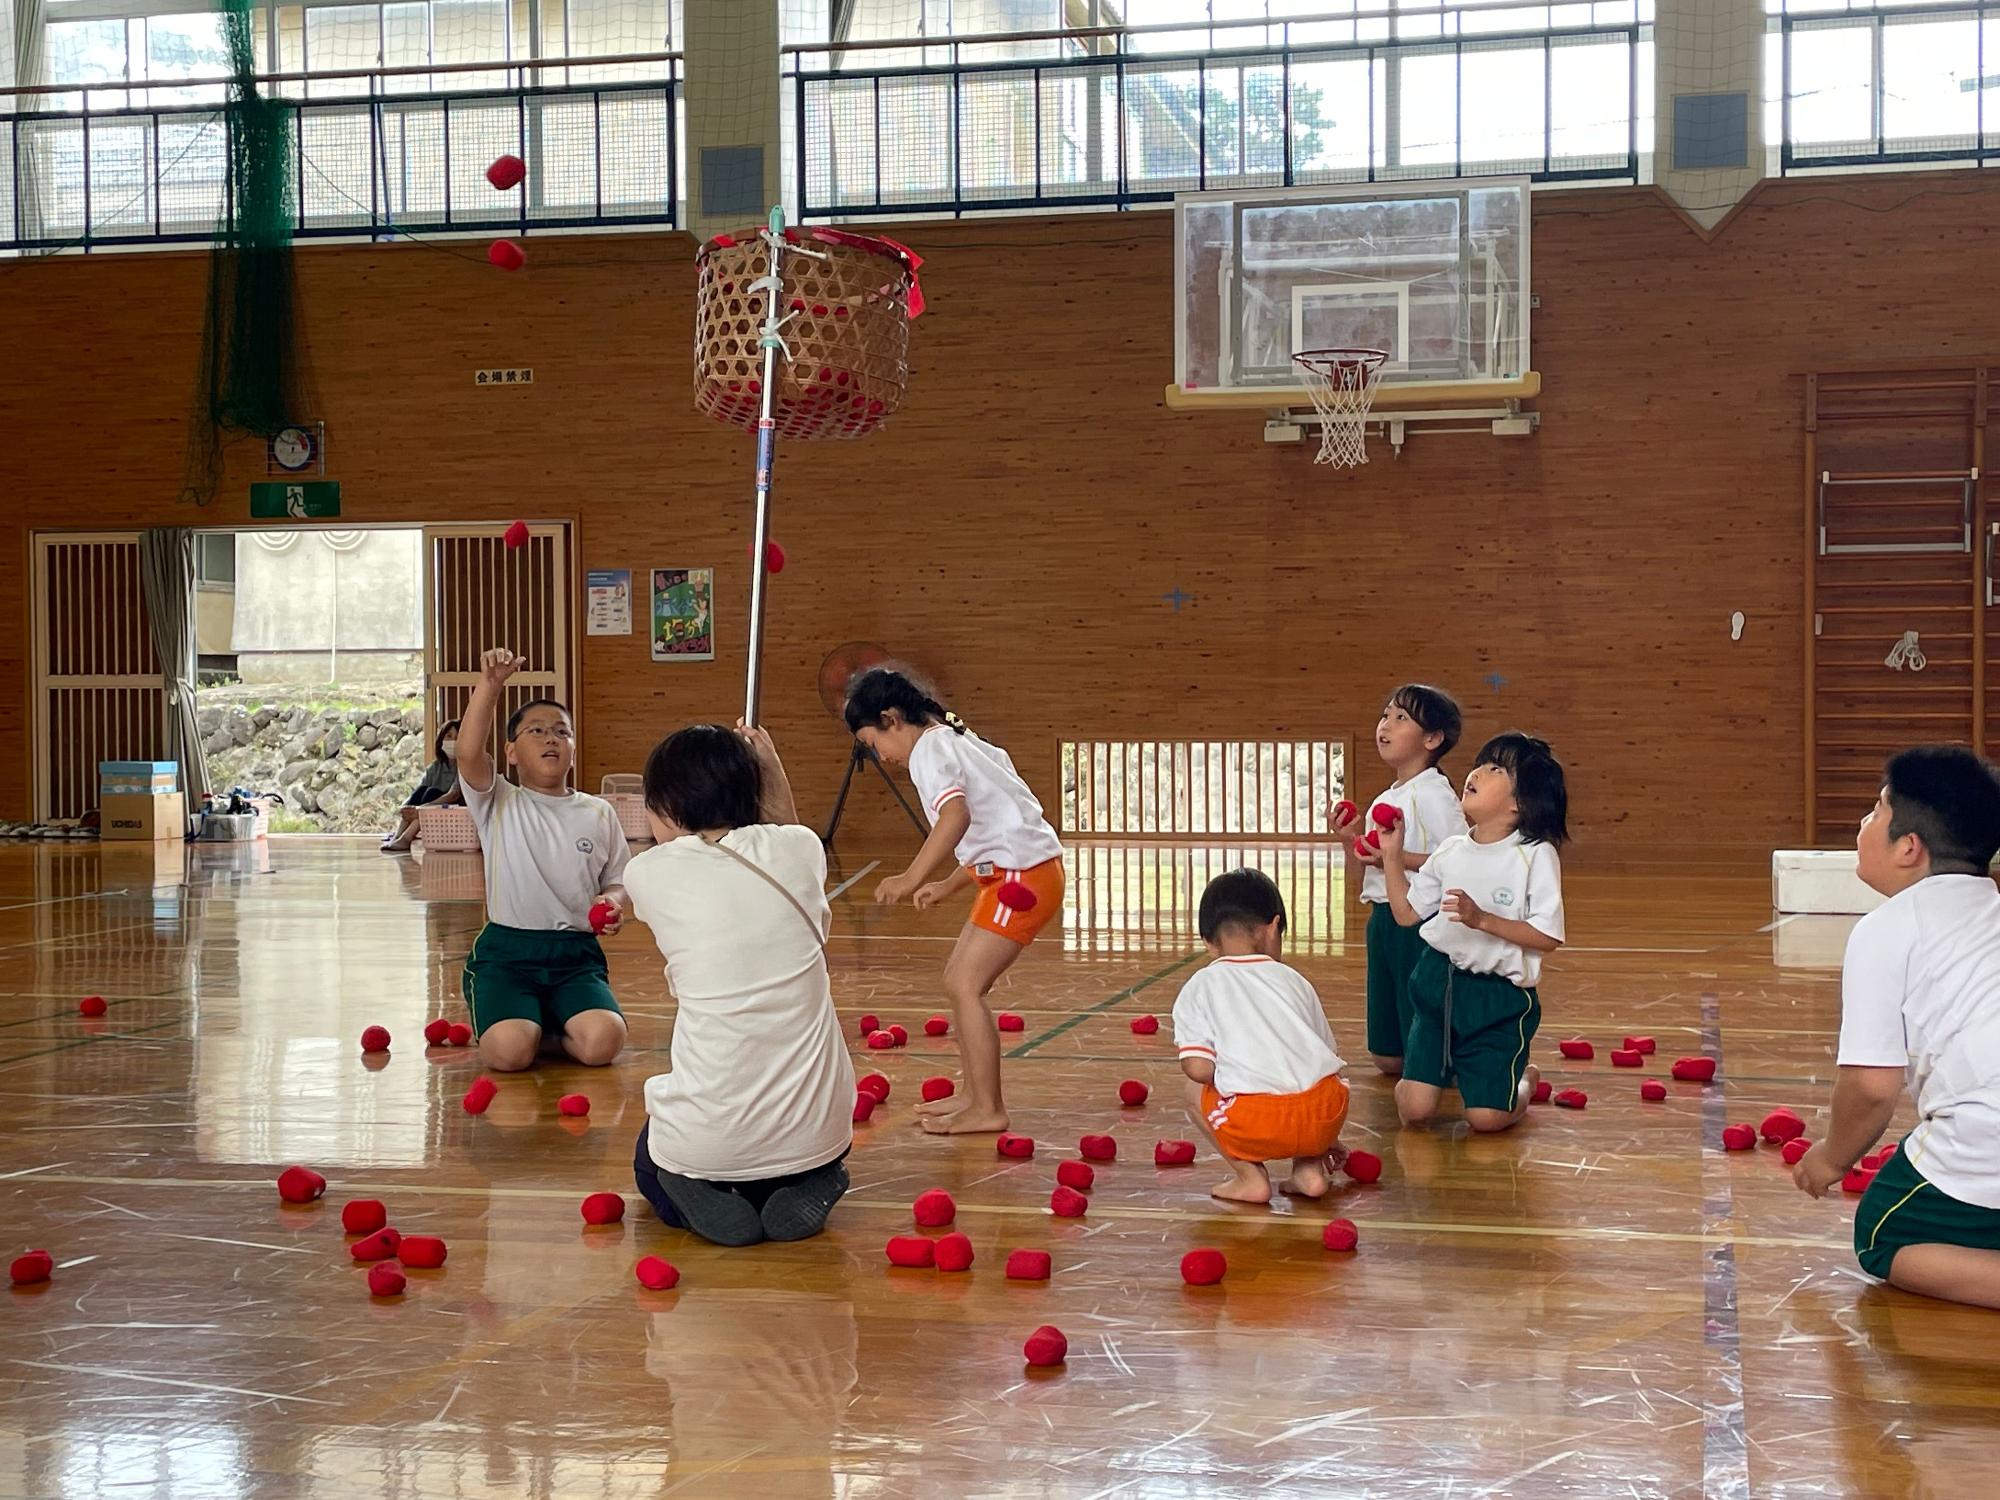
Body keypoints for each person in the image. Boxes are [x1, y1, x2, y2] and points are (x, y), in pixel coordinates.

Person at [624, 722, 853, 1246]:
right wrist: (768, 766)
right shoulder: (801, 849)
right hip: (817, 1129)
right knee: (801, 1145)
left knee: (650, 1164)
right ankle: (816, 1176)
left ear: (667, 805)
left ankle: (697, 1188)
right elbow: (785, 832)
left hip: (711, 1141)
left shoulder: (648, 874)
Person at [1792, 746, 2000, 1310]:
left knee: (1884, 1233)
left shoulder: (1886, 929)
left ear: (1909, 847)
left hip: (1986, 1143)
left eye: (1876, 810)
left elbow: (1871, 1087)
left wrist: (1831, 1159)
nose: (1863, 823)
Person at [846, 666, 1064, 1136]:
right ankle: (974, 1094)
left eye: (872, 743)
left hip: (1021, 880)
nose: (880, 757)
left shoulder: (929, 751)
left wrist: (911, 876)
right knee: (958, 982)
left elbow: (956, 816)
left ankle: (988, 1107)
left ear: (890, 718)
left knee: (966, 985)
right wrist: (948, 884)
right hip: (1020, 874)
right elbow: (998, 826)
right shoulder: (959, 740)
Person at [1379, 732, 1568, 1133]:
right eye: (1480, 763)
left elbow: (1547, 937)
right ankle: (1435, 1076)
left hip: (1498, 999)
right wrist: (1391, 856)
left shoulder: (1535, 855)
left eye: (1496, 768)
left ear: (1520, 802)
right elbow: (1406, 914)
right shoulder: (1450, 850)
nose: (1477, 772)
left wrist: (1483, 920)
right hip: (1438, 982)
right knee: (1415, 1112)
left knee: (1486, 1120)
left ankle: (1522, 1082)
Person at [457, 647, 630, 1072]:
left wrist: (612, 902)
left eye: (561, 732)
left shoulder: (598, 812)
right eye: (536, 730)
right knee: (509, 1054)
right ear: (511, 752)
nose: (551, 738)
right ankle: (524, 1025)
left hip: (575, 957)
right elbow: (467, 754)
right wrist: (490, 685)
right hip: (507, 955)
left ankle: (546, 1025)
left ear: (573, 748)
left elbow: (618, 879)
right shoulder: (498, 800)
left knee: (604, 1043)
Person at [1172, 868, 1350, 1204]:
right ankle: (1309, 1171)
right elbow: (1327, 1060)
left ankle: (1250, 1178)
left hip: (1256, 1123)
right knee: (1308, 1080)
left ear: (1208, 942)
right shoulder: (1296, 981)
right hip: (1325, 1113)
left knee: (1194, 1091)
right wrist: (1325, 1135)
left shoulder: (1201, 986)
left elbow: (1198, 1068)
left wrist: (1236, 1071)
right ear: (1273, 928)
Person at [1338, 684, 1467, 1076]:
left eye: (1401, 718)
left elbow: (1458, 861)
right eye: (1385, 715)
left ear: (1432, 739)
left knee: (1426, 1057)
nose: (1386, 725)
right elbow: (1364, 873)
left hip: (1420, 922)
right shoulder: (1385, 798)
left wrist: (1395, 857)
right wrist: (1348, 840)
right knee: (1388, 1058)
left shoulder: (1436, 795)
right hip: (1382, 920)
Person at [381, 718, 463, 853]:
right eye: (449, 736)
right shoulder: (435, 767)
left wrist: (421, 808)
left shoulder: (464, 767)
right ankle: (398, 835)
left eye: (458, 738)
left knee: (431, 793)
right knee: (423, 790)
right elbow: (419, 791)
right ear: (441, 740)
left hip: (454, 811)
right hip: (432, 808)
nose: (453, 741)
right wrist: (406, 807)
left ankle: (407, 838)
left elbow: (453, 795)